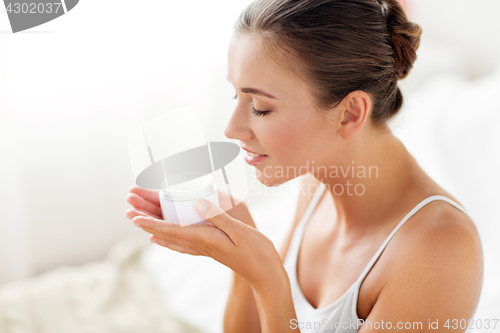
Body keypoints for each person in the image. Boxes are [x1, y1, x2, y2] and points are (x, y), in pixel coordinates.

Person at [125, 0, 483, 331]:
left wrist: (269, 279)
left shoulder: (441, 252)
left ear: (350, 113)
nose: (231, 129)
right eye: (237, 95)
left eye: (261, 108)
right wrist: (243, 259)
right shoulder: (316, 183)